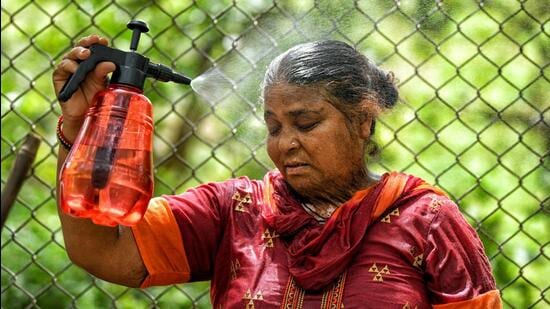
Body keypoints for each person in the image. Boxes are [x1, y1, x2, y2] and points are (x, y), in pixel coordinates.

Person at [53, 35, 502, 308]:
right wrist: (80, 125)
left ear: (363, 120)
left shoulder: (427, 222)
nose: (285, 143)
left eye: (305, 124)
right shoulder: (234, 210)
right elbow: (101, 249)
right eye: (273, 127)